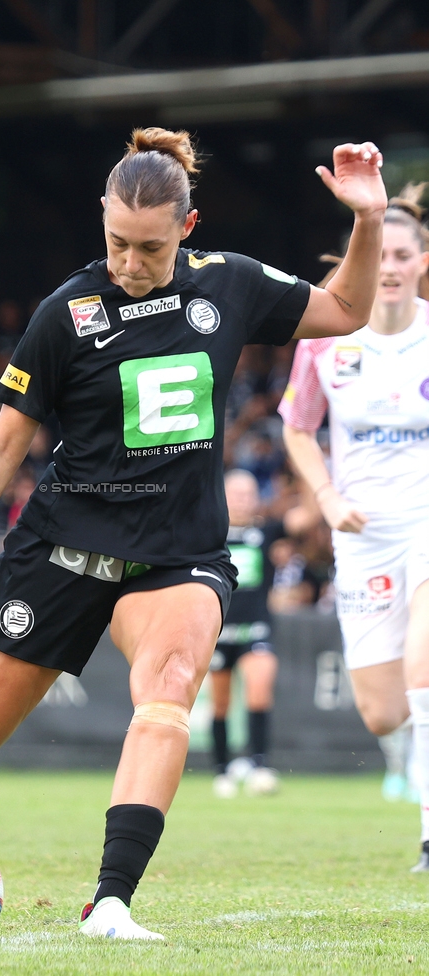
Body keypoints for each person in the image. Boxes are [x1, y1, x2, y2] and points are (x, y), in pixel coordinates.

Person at [0, 128, 386, 938]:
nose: (127, 261)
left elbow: (350, 310)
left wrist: (366, 220)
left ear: (186, 230)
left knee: (171, 683)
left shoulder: (231, 285)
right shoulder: (65, 315)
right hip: (63, 551)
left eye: (148, 247)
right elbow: (2, 447)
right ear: (102, 219)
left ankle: (110, 901)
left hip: (177, 556)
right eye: (115, 240)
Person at [278, 184, 429, 868]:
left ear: (423, 260)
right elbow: (299, 428)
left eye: (404, 253)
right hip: (362, 534)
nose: (391, 265)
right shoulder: (328, 341)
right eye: (381, 253)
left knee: (424, 675)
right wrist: (328, 498)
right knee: (384, 713)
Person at [209, 469, 316, 798]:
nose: (242, 499)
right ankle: (222, 770)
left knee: (259, 690)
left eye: (247, 493)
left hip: (256, 628)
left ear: (257, 498)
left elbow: (307, 517)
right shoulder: (209, 533)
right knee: (221, 704)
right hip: (217, 632)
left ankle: (259, 765)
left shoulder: (267, 532)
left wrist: (309, 476)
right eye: (235, 493)